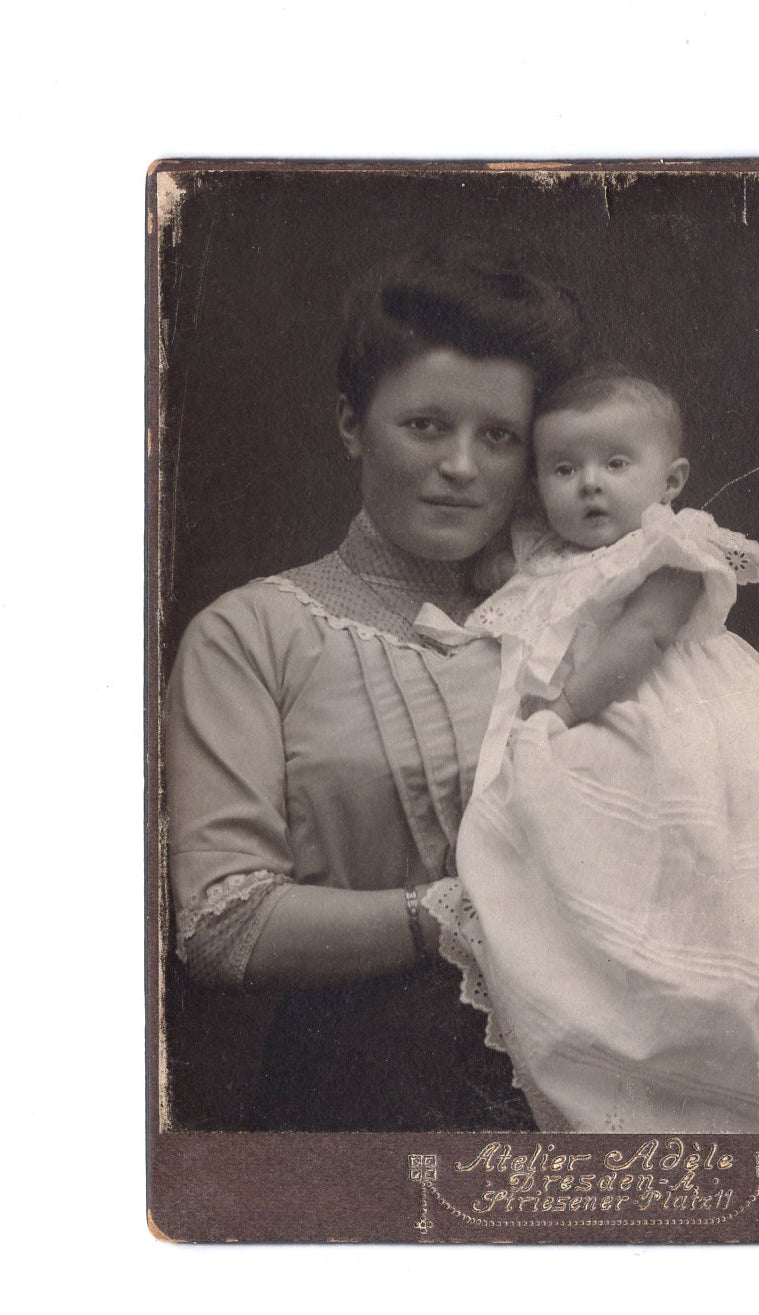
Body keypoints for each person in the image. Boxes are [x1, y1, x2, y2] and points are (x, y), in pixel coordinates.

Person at [164, 250, 583, 1130]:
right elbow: (221, 922)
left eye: (498, 436)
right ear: (352, 425)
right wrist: (446, 916)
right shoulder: (250, 634)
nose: (462, 466)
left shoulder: (573, 620)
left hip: (587, 1075)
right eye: (426, 425)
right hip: (357, 1088)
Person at [419, 368, 759, 1134]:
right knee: (557, 864)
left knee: (690, 856)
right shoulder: (541, 558)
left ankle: (697, 1027)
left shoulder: (670, 545)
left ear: (671, 479)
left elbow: (644, 636)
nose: (589, 487)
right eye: (563, 470)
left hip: (668, 723)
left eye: (614, 465)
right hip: (581, 730)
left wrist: (562, 709)